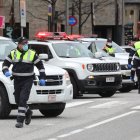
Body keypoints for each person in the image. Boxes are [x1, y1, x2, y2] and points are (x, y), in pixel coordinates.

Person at [2, 37, 46, 128]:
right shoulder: (13, 53)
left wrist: (42, 78)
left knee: (22, 99)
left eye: (26, 43)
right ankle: (28, 112)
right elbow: (5, 64)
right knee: (17, 100)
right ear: (19, 44)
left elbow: (40, 67)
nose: (25, 45)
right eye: (23, 44)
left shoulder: (32, 54)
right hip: (17, 80)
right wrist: (5, 71)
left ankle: (20, 121)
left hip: (28, 80)